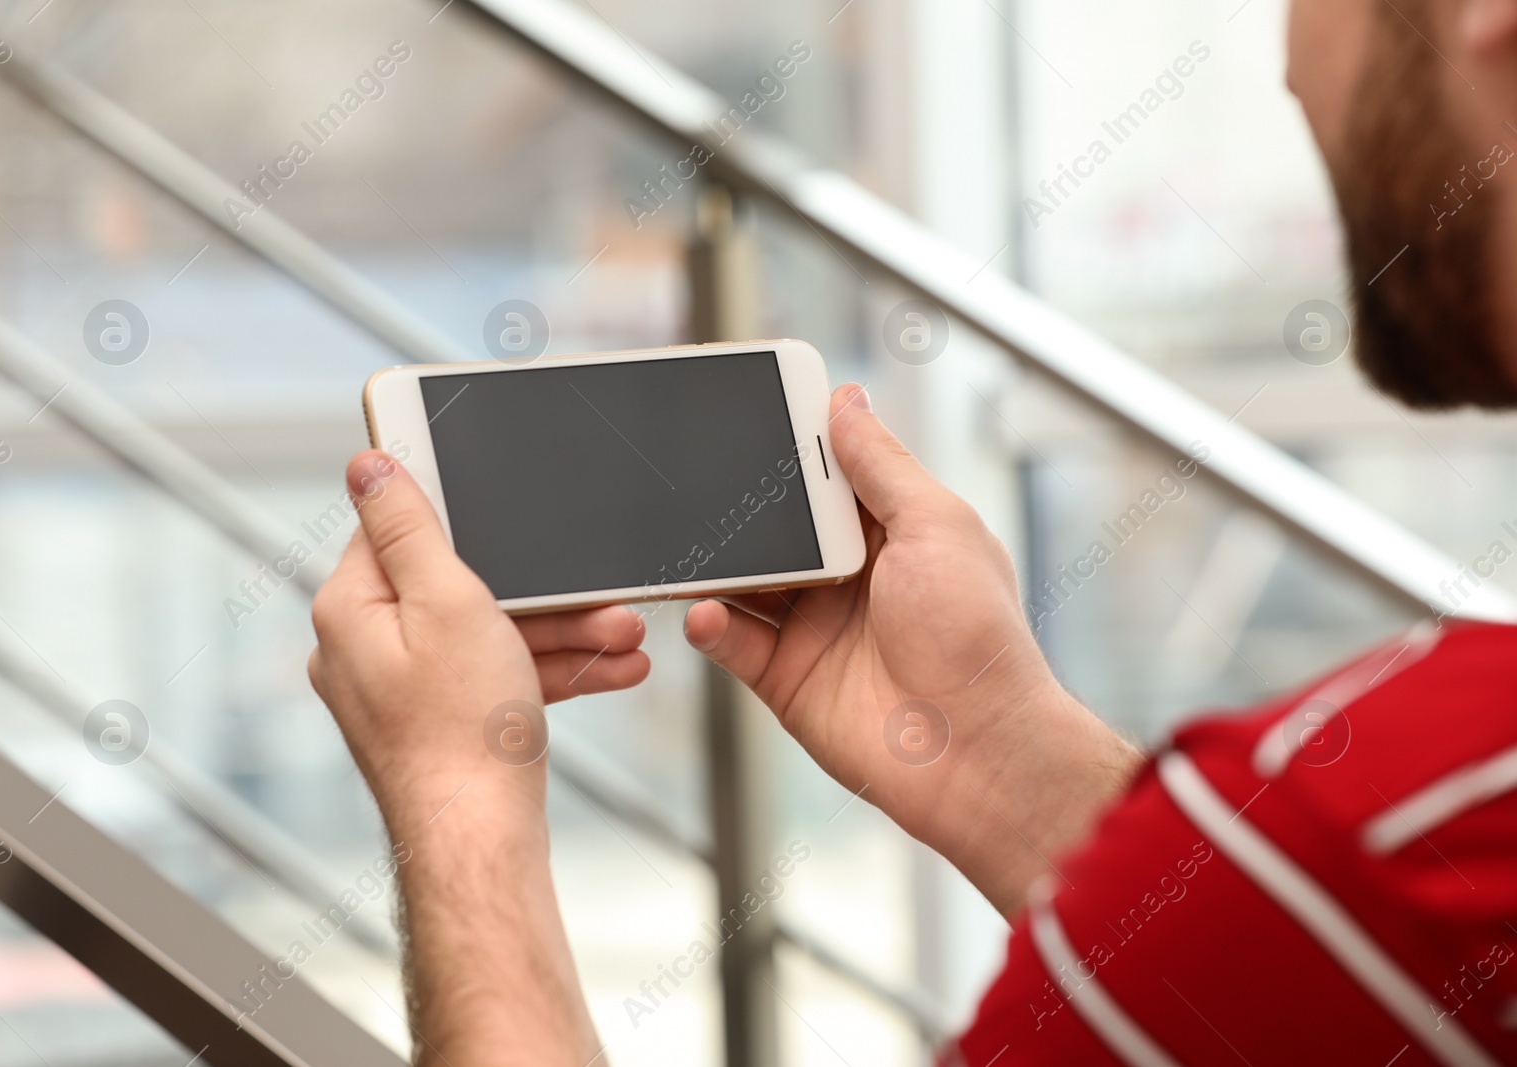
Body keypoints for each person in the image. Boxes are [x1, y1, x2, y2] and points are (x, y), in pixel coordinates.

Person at [305, 0, 1517, 1062]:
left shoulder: (1390, 836)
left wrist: (457, 798)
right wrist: (995, 748)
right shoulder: (1420, 852)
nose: (1293, 68)